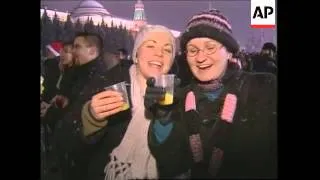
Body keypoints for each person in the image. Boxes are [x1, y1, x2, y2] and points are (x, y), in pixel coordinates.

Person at [146, 9, 277, 179]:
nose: (201, 57)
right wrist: (163, 121)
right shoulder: (178, 99)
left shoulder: (263, 88)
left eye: (210, 47)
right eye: (192, 50)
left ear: (229, 52)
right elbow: (171, 163)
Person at [80, 25, 176, 180]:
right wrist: (92, 117)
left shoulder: (178, 95)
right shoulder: (111, 83)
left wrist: (166, 121)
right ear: (136, 54)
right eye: (150, 45)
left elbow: (180, 159)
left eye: (167, 50)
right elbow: (73, 144)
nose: (159, 53)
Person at [51, 32, 108, 180]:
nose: (73, 51)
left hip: (83, 154)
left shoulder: (101, 77)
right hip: (71, 150)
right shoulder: (81, 72)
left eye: (77, 47)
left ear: (92, 50)